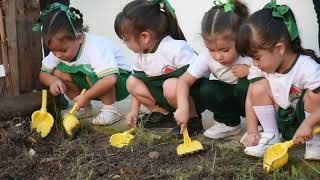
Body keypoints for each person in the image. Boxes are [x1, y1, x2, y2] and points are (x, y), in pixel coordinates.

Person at [237, 0, 320, 159]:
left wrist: (308, 124)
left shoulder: (306, 68)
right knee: (257, 86)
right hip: (287, 121)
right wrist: (252, 131)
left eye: (257, 57)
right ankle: (271, 136)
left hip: (313, 124)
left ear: (279, 49)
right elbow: (250, 97)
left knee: (315, 95)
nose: (254, 63)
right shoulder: (264, 66)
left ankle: (316, 142)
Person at [114, 0, 202, 135]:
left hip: (190, 97)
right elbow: (138, 81)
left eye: (126, 39)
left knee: (170, 85)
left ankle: (192, 120)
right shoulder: (139, 56)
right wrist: (134, 111)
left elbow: (199, 76)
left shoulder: (175, 49)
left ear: (144, 37)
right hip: (167, 97)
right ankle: (165, 116)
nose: (124, 43)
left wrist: (185, 106)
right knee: (132, 81)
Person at [38, 3, 132, 125]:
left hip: (121, 82)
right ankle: (83, 108)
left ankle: (110, 110)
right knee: (57, 73)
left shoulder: (95, 47)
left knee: (95, 73)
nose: (58, 55)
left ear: (79, 38)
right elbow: (43, 73)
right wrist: (52, 81)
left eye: (63, 50)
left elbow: (109, 79)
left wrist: (86, 96)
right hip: (93, 82)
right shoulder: (58, 50)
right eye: (53, 50)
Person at [173, 0, 251, 138]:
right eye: (211, 50)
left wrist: (250, 71)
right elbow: (183, 81)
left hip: (252, 101)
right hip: (229, 98)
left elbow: (273, 78)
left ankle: (261, 127)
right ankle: (229, 123)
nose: (218, 56)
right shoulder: (206, 57)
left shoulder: (251, 53)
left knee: (246, 85)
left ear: (241, 39)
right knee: (202, 87)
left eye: (225, 50)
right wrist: (182, 107)